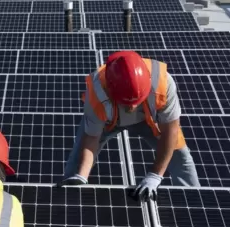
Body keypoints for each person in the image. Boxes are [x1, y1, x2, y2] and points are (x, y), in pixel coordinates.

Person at [59, 50, 200, 199]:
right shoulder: (96, 93)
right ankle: (70, 197)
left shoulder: (163, 84)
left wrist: (155, 175)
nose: (131, 108)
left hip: (147, 119)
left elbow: (170, 132)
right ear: (110, 90)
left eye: (136, 102)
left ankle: (194, 200)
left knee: (181, 157)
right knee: (76, 164)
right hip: (109, 121)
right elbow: (91, 139)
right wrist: (81, 176)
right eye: (126, 103)